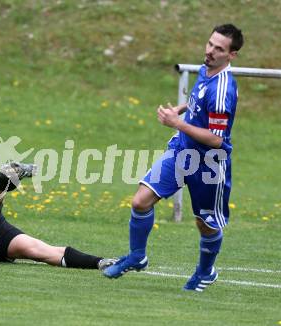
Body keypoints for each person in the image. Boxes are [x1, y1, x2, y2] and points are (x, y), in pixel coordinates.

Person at [103, 24, 244, 291]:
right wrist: (182, 109)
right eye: (210, 44)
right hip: (182, 152)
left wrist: (177, 123)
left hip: (209, 164)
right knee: (141, 201)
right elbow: (198, 100)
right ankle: (137, 256)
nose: (210, 51)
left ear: (232, 55)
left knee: (206, 224)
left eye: (219, 49)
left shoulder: (223, 90)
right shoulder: (206, 69)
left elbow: (217, 139)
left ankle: (205, 272)